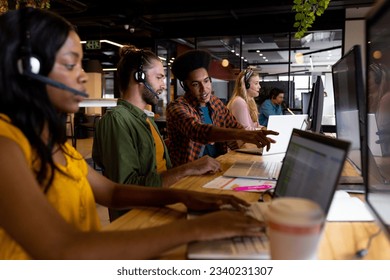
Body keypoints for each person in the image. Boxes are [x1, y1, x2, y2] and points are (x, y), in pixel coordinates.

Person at [0, 8, 265, 260]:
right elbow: (63, 249)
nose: (82, 77)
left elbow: (112, 192)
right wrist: (198, 228)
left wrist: (182, 195)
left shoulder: (53, 143)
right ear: (28, 70)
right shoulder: (5, 146)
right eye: (70, 65)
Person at [92, 45, 221, 221]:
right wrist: (189, 168)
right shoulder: (117, 120)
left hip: (161, 207)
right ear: (139, 77)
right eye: (159, 77)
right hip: (139, 219)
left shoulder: (146, 119)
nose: (163, 85)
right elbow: (126, 189)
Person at [166, 49, 278, 166]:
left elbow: (236, 128)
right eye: (195, 84)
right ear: (186, 87)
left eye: (206, 81)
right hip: (189, 174)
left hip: (218, 166)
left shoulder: (215, 102)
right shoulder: (176, 107)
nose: (204, 89)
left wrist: (255, 138)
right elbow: (197, 131)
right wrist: (241, 134)